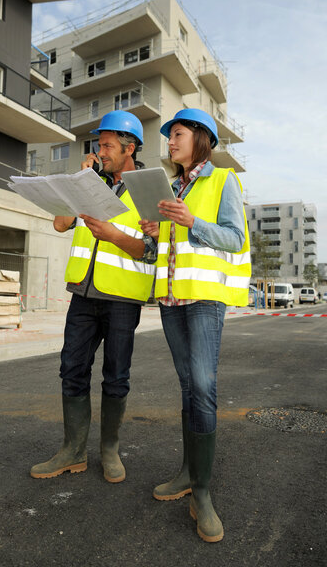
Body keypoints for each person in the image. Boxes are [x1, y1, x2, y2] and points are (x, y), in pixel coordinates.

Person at [140, 108, 251, 542]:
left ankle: (202, 493)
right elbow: (160, 248)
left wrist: (192, 223)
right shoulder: (168, 186)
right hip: (171, 298)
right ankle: (188, 473)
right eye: (169, 137)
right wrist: (155, 231)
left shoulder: (223, 181)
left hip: (204, 299)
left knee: (203, 385)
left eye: (177, 134)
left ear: (200, 138)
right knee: (187, 386)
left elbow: (234, 237)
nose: (170, 141)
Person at [30, 110, 156, 484]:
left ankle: (110, 451)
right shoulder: (90, 181)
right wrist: (80, 180)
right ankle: (73, 451)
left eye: (107, 145)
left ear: (129, 148)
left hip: (122, 298)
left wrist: (114, 235)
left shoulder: (147, 187)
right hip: (84, 292)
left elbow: (151, 249)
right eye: (98, 145)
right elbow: (60, 224)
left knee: (116, 377)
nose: (100, 151)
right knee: (72, 369)